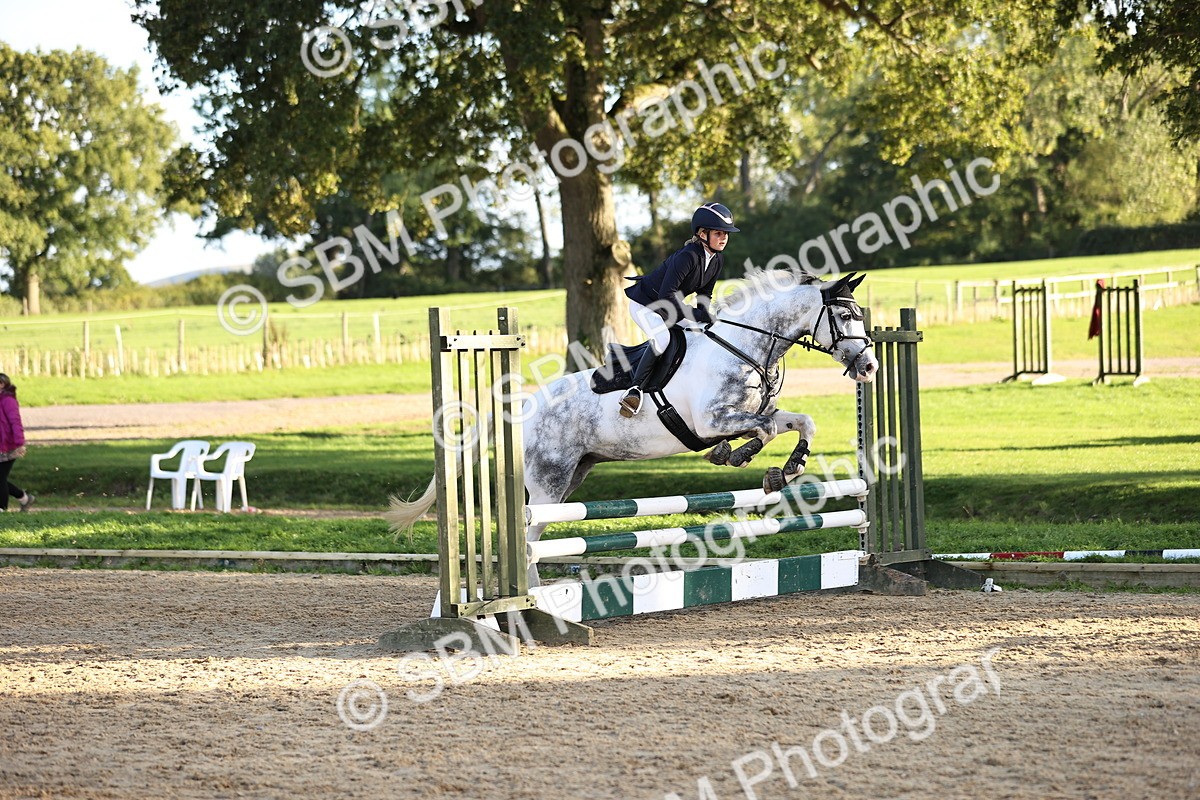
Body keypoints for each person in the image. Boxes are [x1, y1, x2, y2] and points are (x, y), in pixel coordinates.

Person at [619, 202, 739, 418]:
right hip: (645, 305)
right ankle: (634, 389)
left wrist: (707, 317)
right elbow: (666, 296)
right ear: (702, 234)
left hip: (668, 307)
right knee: (662, 339)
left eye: (726, 234)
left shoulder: (717, 260)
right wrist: (696, 315)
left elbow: (704, 294)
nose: (724, 238)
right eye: (718, 233)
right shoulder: (688, 256)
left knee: (703, 333)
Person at [0, 373, 34, 512]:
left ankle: (2, 508)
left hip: (7, 446)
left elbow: (15, 422)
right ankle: (24, 499)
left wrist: (20, 443)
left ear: (2, 384)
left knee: (0, 478)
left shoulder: (8, 401)